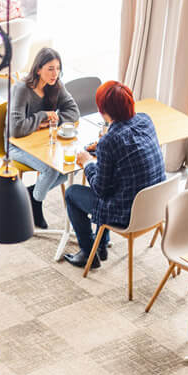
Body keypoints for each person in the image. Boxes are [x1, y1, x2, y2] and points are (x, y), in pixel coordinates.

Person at [64, 80, 165, 270]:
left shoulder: (109, 142)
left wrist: (87, 161)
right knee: (116, 184)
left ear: (103, 111)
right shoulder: (146, 120)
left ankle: (88, 253)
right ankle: (99, 247)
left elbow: (100, 189)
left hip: (128, 215)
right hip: (155, 205)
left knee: (72, 193)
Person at [7, 47, 80, 229]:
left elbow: (74, 112)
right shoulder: (22, 89)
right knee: (50, 170)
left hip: (41, 141)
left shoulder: (55, 85)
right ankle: (36, 204)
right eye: (50, 68)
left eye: (57, 68)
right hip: (15, 145)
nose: (55, 73)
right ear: (38, 69)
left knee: (73, 166)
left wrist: (52, 121)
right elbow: (16, 129)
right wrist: (44, 116)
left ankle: (30, 194)